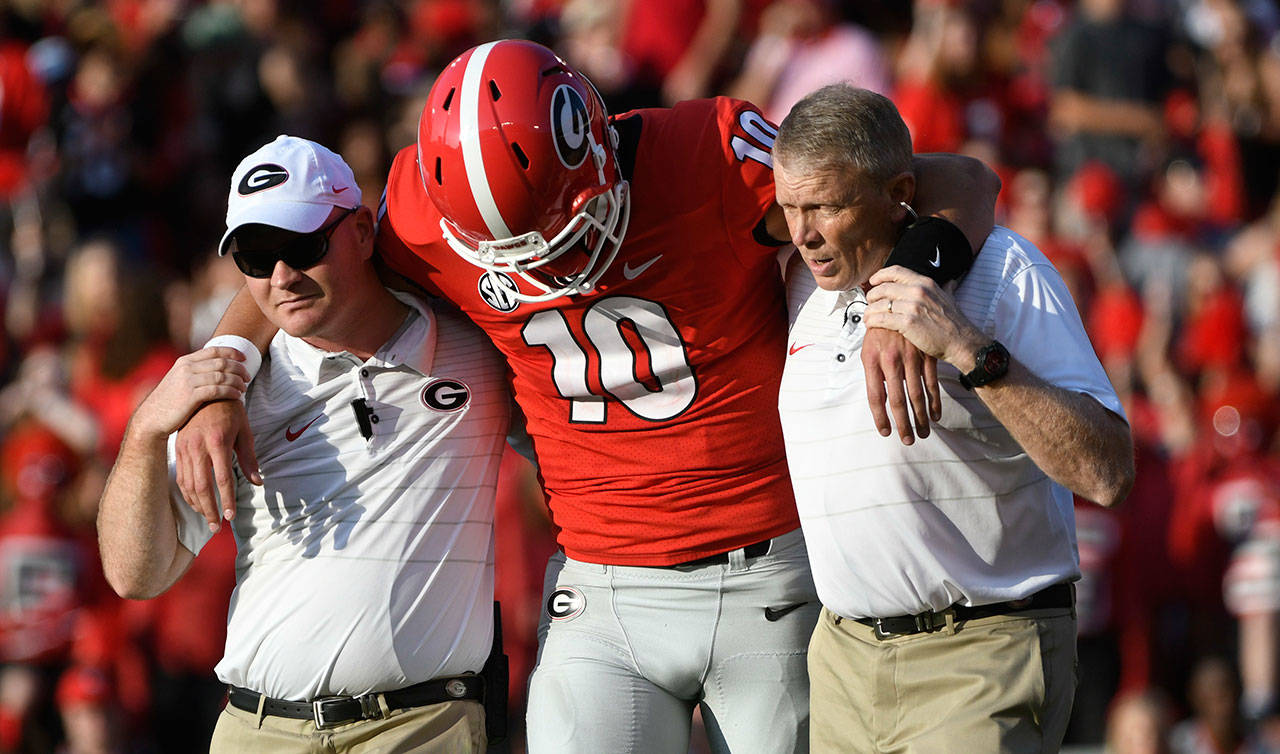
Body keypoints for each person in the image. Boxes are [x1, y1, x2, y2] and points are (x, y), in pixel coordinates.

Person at [176, 40, 999, 754]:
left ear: (598, 153)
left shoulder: (707, 156)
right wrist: (224, 368)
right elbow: (287, 262)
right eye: (511, 255)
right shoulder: (423, 211)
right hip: (599, 584)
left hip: (765, 570)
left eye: (556, 240)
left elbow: (954, 177)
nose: (542, 274)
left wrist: (905, 285)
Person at [96, 136, 512, 753]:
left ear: (365, 231)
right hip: (257, 729)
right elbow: (135, 574)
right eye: (256, 258)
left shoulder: (478, 351)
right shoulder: (231, 392)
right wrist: (146, 429)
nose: (283, 277)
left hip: (422, 728)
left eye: (303, 246)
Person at [774, 84, 1135, 752]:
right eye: (789, 208)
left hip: (982, 652)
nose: (803, 234)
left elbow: (1107, 470)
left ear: (898, 191)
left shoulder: (1004, 270)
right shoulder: (796, 280)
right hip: (841, 662)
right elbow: (966, 174)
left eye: (824, 205)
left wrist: (969, 348)